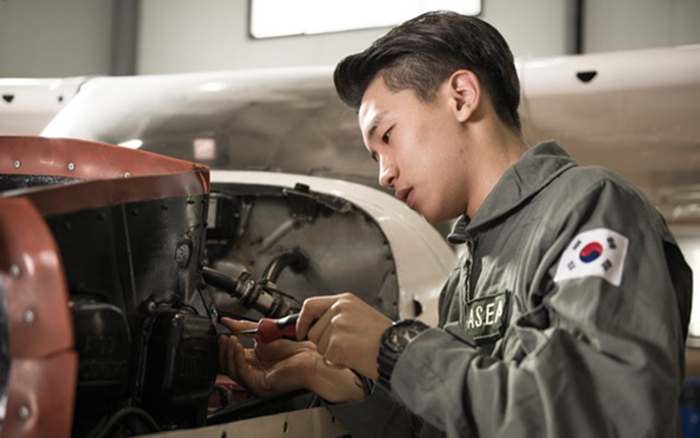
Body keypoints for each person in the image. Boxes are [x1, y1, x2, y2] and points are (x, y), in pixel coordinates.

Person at [219, 11, 692, 437]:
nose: (384, 173)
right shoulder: (466, 275)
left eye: (387, 136)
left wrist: (394, 347)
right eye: (375, 155)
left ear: (462, 96)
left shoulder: (590, 207)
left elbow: (600, 418)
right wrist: (341, 383)